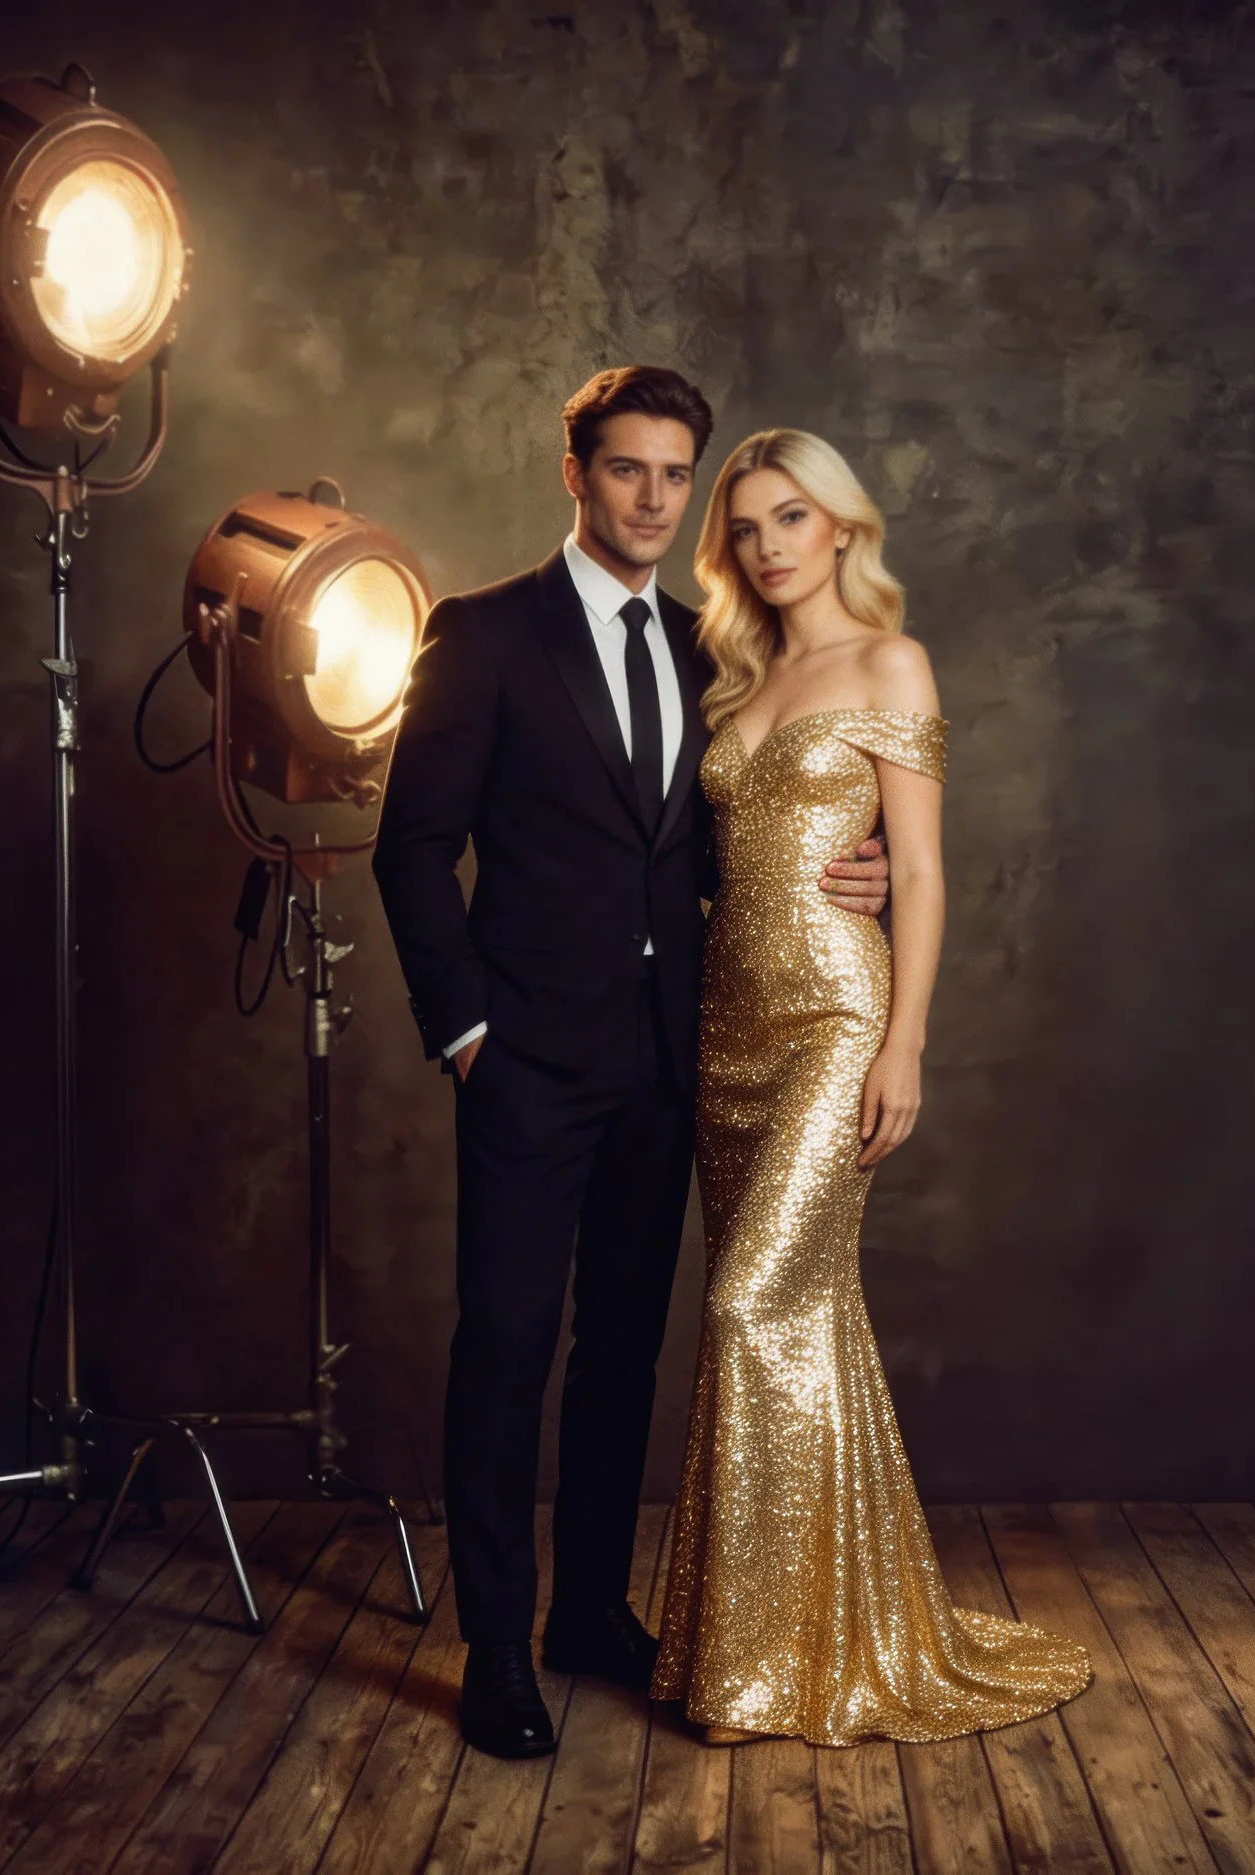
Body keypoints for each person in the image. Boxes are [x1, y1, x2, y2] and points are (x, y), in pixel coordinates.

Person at [372, 369, 892, 1759]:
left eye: (675, 474)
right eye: (626, 469)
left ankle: (589, 1613)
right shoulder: (485, 633)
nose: (655, 499)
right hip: (526, 1064)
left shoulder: (709, 648)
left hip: (671, 1063)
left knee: (620, 1353)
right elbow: (414, 848)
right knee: (506, 1345)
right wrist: (467, 1031)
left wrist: (870, 866)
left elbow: (741, 837)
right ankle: (497, 1648)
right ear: (576, 474)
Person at [650, 429, 1091, 1745]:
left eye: (792, 518)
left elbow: (925, 868)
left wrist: (904, 1044)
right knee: (806, 1319)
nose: (768, 546)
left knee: (750, 1306)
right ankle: (808, 1636)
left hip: (838, 1020)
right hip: (726, 1029)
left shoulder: (891, 661)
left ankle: (753, 1671)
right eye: (745, 528)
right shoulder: (734, 679)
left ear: (843, 526)